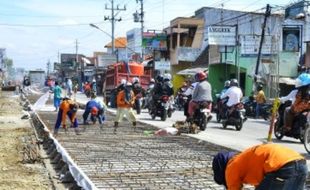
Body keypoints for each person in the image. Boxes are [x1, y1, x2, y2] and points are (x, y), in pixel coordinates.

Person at [212, 143, 307, 190]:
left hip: (281, 167)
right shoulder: (244, 160)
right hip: (301, 164)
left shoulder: (231, 167)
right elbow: (263, 184)